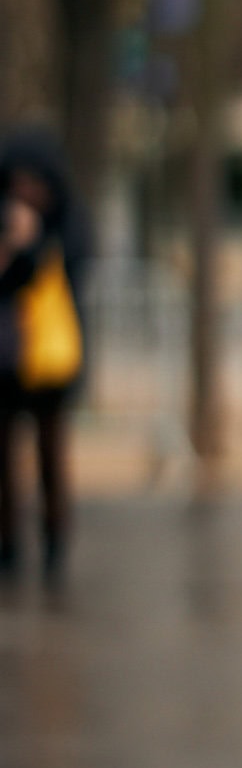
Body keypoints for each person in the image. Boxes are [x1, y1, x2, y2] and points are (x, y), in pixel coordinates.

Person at [0, 126, 91, 583]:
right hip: (8, 356)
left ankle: (55, 542)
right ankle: (8, 544)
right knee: (4, 455)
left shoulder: (67, 220)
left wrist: (32, 243)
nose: (25, 190)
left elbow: (74, 265)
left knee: (51, 452)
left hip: (51, 360)